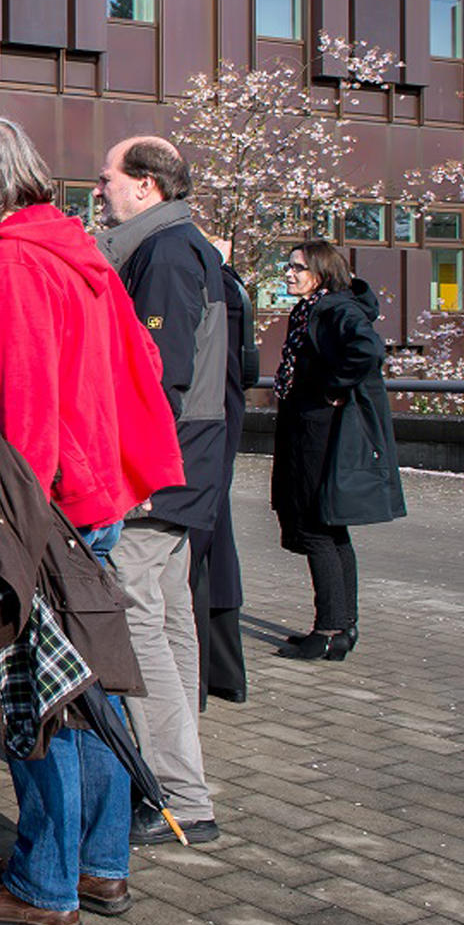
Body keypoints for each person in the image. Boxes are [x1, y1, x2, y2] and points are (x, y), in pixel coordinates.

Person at [0, 117, 182, 925]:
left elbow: (29, 408)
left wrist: (0, 521)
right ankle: (99, 863)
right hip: (90, 494)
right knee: (91, 687)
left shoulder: (7, 261)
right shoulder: (65, 243)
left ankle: (45, 884)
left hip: (48, 504)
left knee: (40, 695)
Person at [94, 137, 225, 847]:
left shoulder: (166, 252)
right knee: (168, 619)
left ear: (145, 186)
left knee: (143, 624)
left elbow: (155, 374)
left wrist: (130, 473)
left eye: (108, 179)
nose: (100, 190)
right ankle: (183, 778)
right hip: (182, 466)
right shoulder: (180, 245)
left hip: (159, 469)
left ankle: (178, 791)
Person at [270, 239, 405, 661]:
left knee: (315, 527)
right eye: (288, 267)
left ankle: (329, 628)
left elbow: (367, 350)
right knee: (330, 526)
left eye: (298, 268)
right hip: (312, 427)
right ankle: (342, 626)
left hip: (320, 431)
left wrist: (332, 388)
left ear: (322, 273)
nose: (289, 274)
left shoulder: (333, 309)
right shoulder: (314, 308)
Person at [204, 240, 257, 703]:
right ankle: (224, 672)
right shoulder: (232, 284)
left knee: (203, 546)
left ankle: (213, 673)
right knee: (217, 542)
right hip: (223, 413)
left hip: (207, 423)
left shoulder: (210, 284)